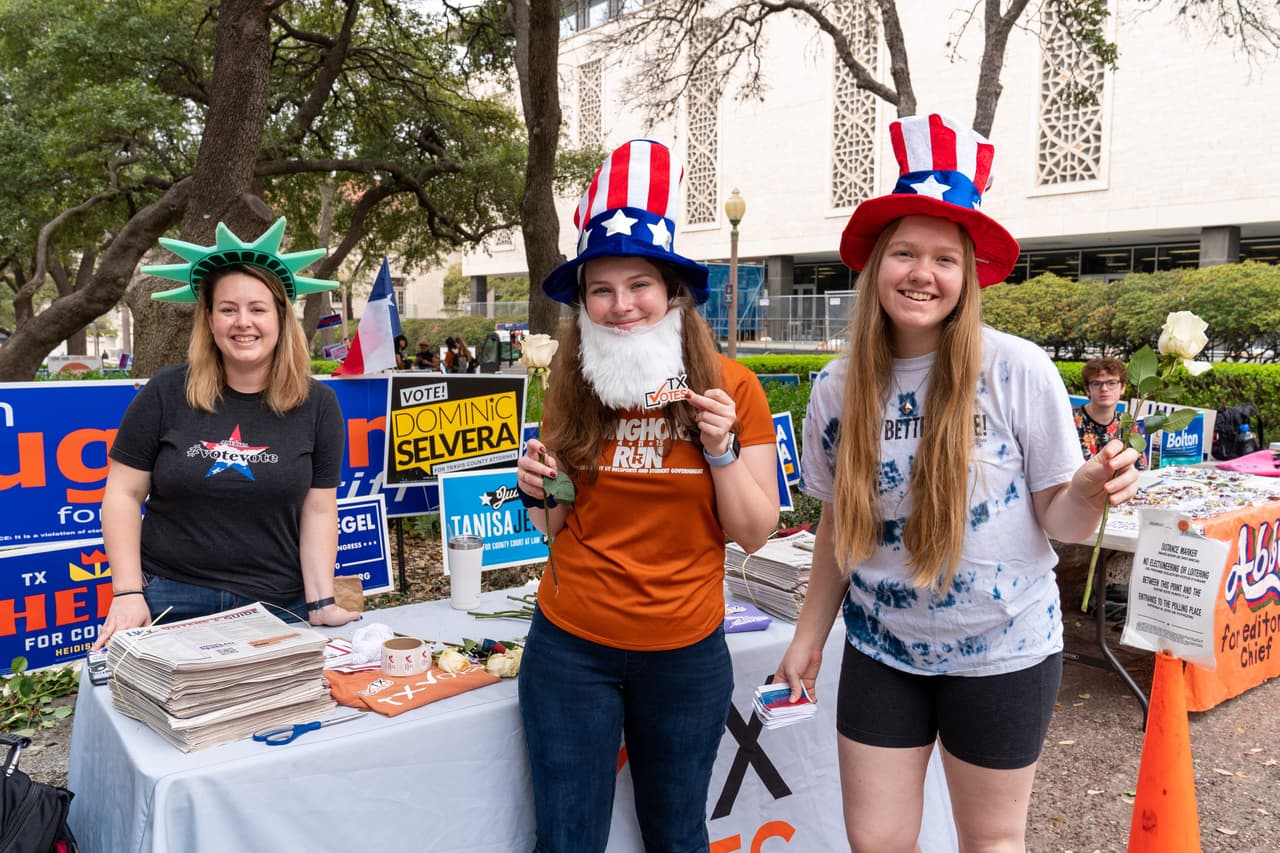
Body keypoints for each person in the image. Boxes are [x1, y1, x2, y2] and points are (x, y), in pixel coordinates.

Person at [773, 114, 1142, 852]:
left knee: (991, 843)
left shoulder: (1018, 369)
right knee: (876, 842)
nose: (922, 272)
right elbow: (839, 531)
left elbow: (1060, 524)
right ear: (877, 264)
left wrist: (1089, 490)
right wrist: (809, 635)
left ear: (968, 274)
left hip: (1004, 651)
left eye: (945, 257)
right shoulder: (837, 387)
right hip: (882, 649)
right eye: (904, 251)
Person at [514, 139, 780, 851]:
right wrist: (538, 486)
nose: (621, 305)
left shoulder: (732, 387)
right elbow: (554, 526)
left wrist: (720, 448)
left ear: (671, 294)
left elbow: (755, 532)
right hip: (571, 649)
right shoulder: (573, 385)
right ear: (583, 304)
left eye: (639, 285)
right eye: (601, 289)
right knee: (567, 840)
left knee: (677, 837)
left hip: (685, 651)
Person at [93, 218, 360, 650]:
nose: (243, 322)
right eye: (228, 309)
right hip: (169, 599)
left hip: (276, 605)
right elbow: (122, 494)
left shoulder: (319, 404)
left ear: (281, 316)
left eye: (257, 308)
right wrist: (127, 592)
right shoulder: (166, 391)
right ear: (209, 319)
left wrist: (321, 600)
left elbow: (318, 511)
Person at [1075, 356, 1146, 469]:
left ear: (1122, 388)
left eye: (1111, 383)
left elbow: (1139, 468)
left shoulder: (1128, 425)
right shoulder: (1071, 422)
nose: (1104, 389)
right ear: (1087, 390)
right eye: (1097, 383)